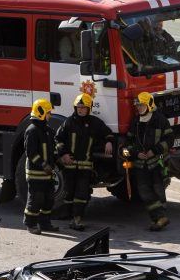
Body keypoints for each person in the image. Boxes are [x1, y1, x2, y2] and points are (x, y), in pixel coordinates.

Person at [54, 93, 114, 231]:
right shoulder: (68, 122)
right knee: (69, 192)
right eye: (78, 107)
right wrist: (63, 155)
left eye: (83, 107)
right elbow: (58, 139)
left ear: (89, 108)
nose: (80, 109)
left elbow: (108, 133)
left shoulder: (95, 123)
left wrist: (109, 142)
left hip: (85, 167)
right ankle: (69, 216)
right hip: (69, 166)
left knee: (82, 193)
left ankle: (77, 218)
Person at [123, 92, 173, 231]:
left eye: (141, 105)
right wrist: (135, 153)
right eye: (137, 105)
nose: (138, 108)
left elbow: (169, 140)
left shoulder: (160, 120)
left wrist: (155, 151)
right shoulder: (136, 122)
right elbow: (127, 144)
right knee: (144, 191)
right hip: (140, 165)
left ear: (150, 105)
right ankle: (160, 217)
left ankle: (160, 217)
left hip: (157, 163)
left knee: (158, 189)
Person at [23, 98, 59, 235]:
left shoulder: (48, 131)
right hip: (35, 173)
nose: (50, 115)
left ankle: (45, 223)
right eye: (48, 112)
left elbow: (53, 150)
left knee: (49, 199)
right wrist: (43, 164)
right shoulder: (32, 131)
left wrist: (58, 161)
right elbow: (30, 153)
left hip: (48, 174)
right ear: (41, 112)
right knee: (36, 200)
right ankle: (30, 224)